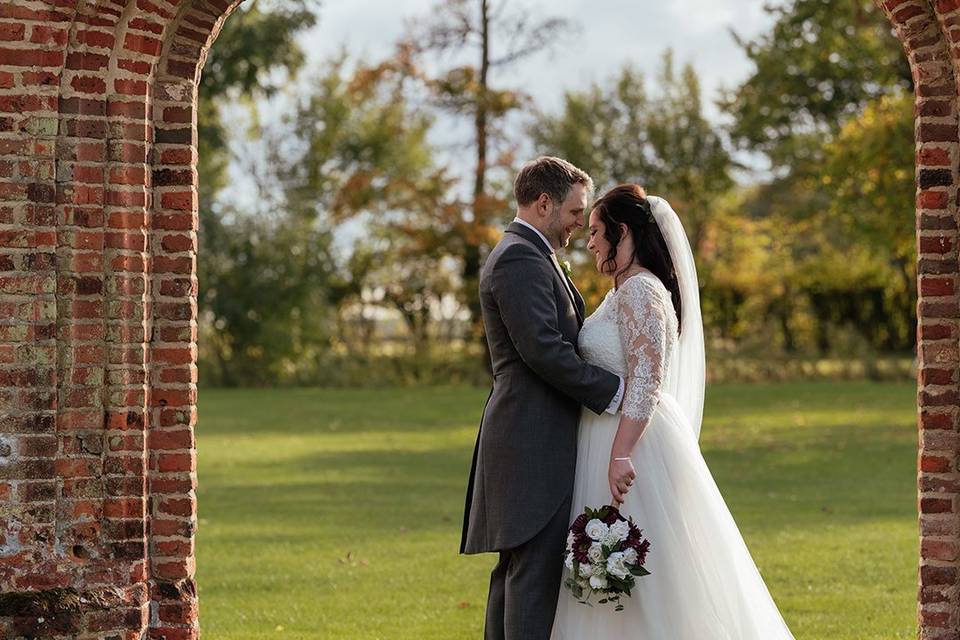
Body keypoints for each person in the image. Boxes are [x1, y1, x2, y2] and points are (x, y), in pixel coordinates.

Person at [550, 184, 795, 639]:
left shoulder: (642, 290)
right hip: (605, 435)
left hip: (632, 444)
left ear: (622, 231)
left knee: (651, 568)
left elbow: (648, 380)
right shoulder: (622, 290)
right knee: (609, 567)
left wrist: (621, 453)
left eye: (597, 231)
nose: (589, 242)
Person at [460, 157, 625, 640]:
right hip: (530, 443)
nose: (581, 222)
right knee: (530, 579)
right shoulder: (518, 257)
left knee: (519, 577)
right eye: (576, 211)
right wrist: (614, 391)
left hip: (534, 439)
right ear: (544, 202)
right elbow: (544, 351)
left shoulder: (535, 254)